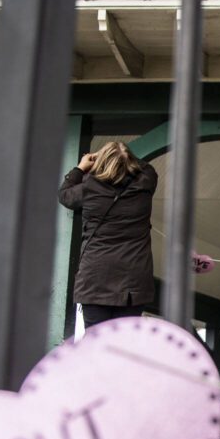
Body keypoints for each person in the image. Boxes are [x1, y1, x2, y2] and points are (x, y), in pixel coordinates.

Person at [58, 141, 157, 329]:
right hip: (133, 282)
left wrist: (80, 168)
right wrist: (123, 156)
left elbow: (64, 195)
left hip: (94, 279)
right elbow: (147, 168)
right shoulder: (145, 185)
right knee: (124, 345)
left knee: (97, 344)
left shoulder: (88, 189)